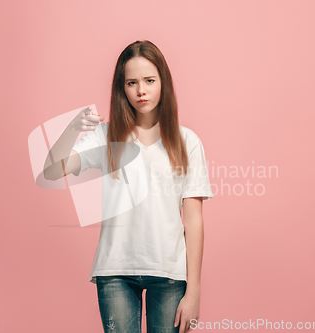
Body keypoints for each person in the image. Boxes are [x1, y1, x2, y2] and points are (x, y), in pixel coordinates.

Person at [43, 40, 213, 333]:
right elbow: (52, 170)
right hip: (116, 271)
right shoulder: (106, 137)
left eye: (149, 80)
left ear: (163, 82)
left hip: (169, 272)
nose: (141, 90)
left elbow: (194, 219)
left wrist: (194, 291)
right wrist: (72, 129)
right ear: (122, 88)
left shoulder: (188, 142)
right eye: (131, 82)